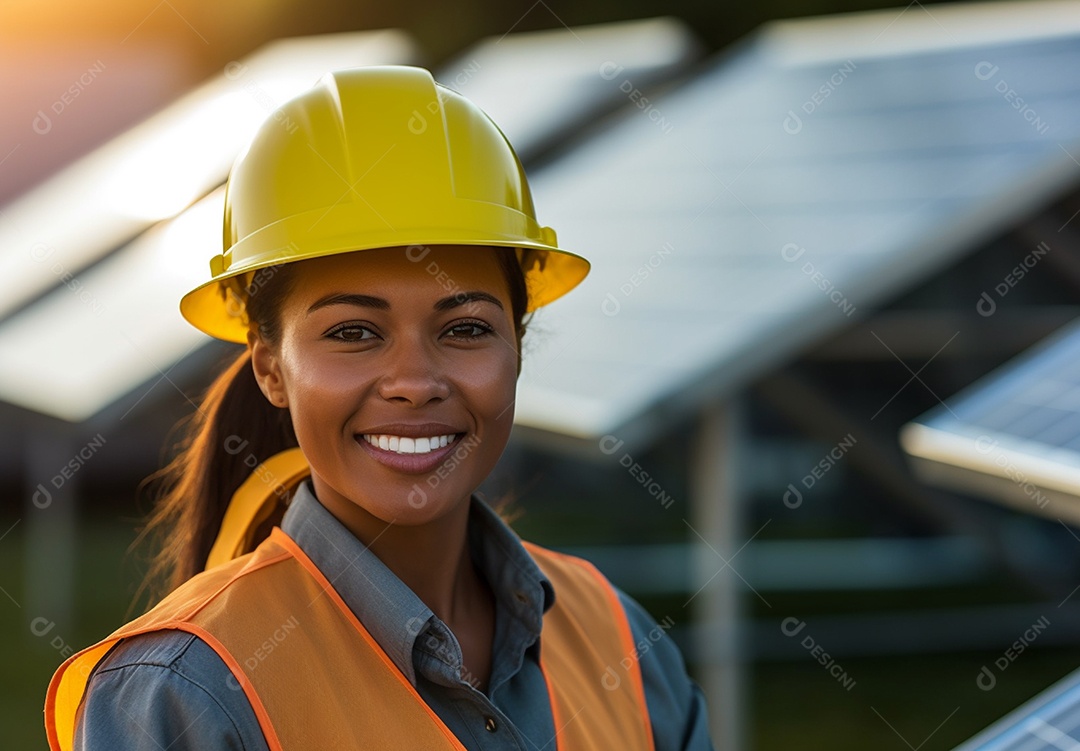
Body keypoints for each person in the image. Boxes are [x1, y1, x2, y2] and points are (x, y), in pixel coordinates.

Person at [45, 65, 714, 750]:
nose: (414, 381)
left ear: (519, 344)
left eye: (465, 328)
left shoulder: (623, 643)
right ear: (271, 368)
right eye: (353, 333)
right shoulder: (182, 696)